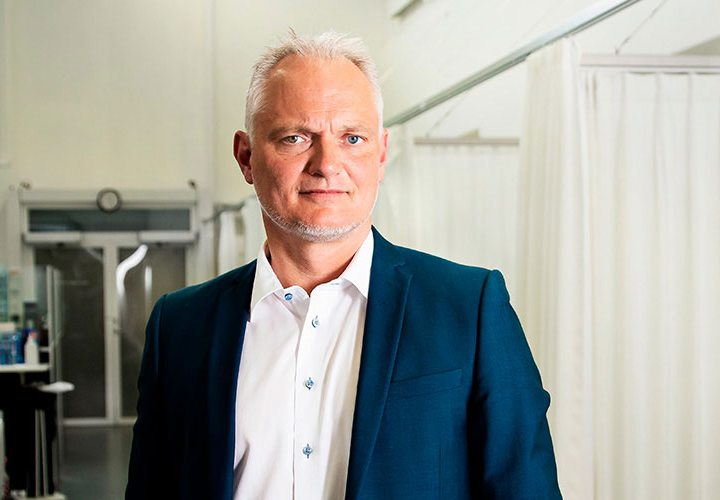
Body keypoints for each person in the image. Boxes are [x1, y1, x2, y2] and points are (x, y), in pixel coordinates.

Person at [126, 31, 561, 500]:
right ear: (246, 157)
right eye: (295, 138)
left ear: (381, 154)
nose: (327, 164)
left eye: (352, 138)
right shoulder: (180, 327)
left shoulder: (468, 310)